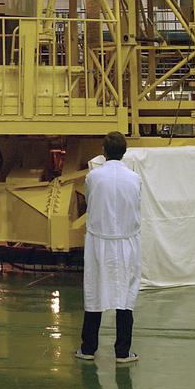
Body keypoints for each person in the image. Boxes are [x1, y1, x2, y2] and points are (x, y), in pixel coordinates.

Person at [76, 131, 141, 366]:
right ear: (124, 152)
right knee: (126, 294)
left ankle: (88, 348)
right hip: (126, 242)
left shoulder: (94, 177)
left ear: (104, 151)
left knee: (94, 291)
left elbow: (90, 201)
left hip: (98, 242)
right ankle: (122, 351)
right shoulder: (134, 178)